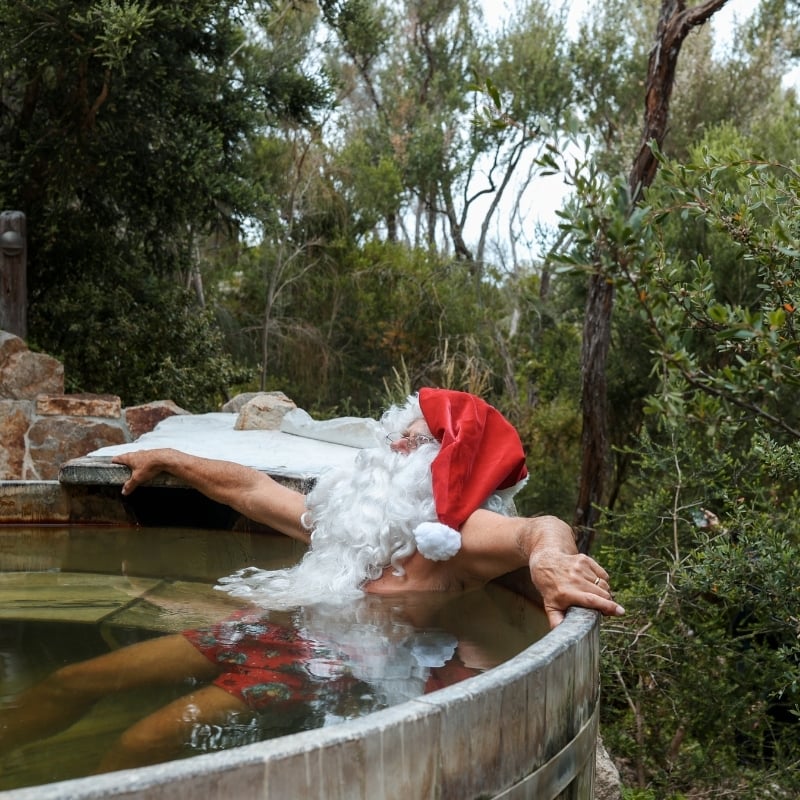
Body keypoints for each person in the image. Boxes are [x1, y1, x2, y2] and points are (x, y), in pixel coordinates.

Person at [0, 388, 623, 774]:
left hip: (342, 664)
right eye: (392, 440)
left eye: (410, 443)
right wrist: (171, 458)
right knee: (73, 678)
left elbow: (537, 528)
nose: (390, 450)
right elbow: (253, 490)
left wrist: (548, 561)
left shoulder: (455, 536)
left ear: (443, 463)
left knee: (145, 739)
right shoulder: (355, 522)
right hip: (275, 630)